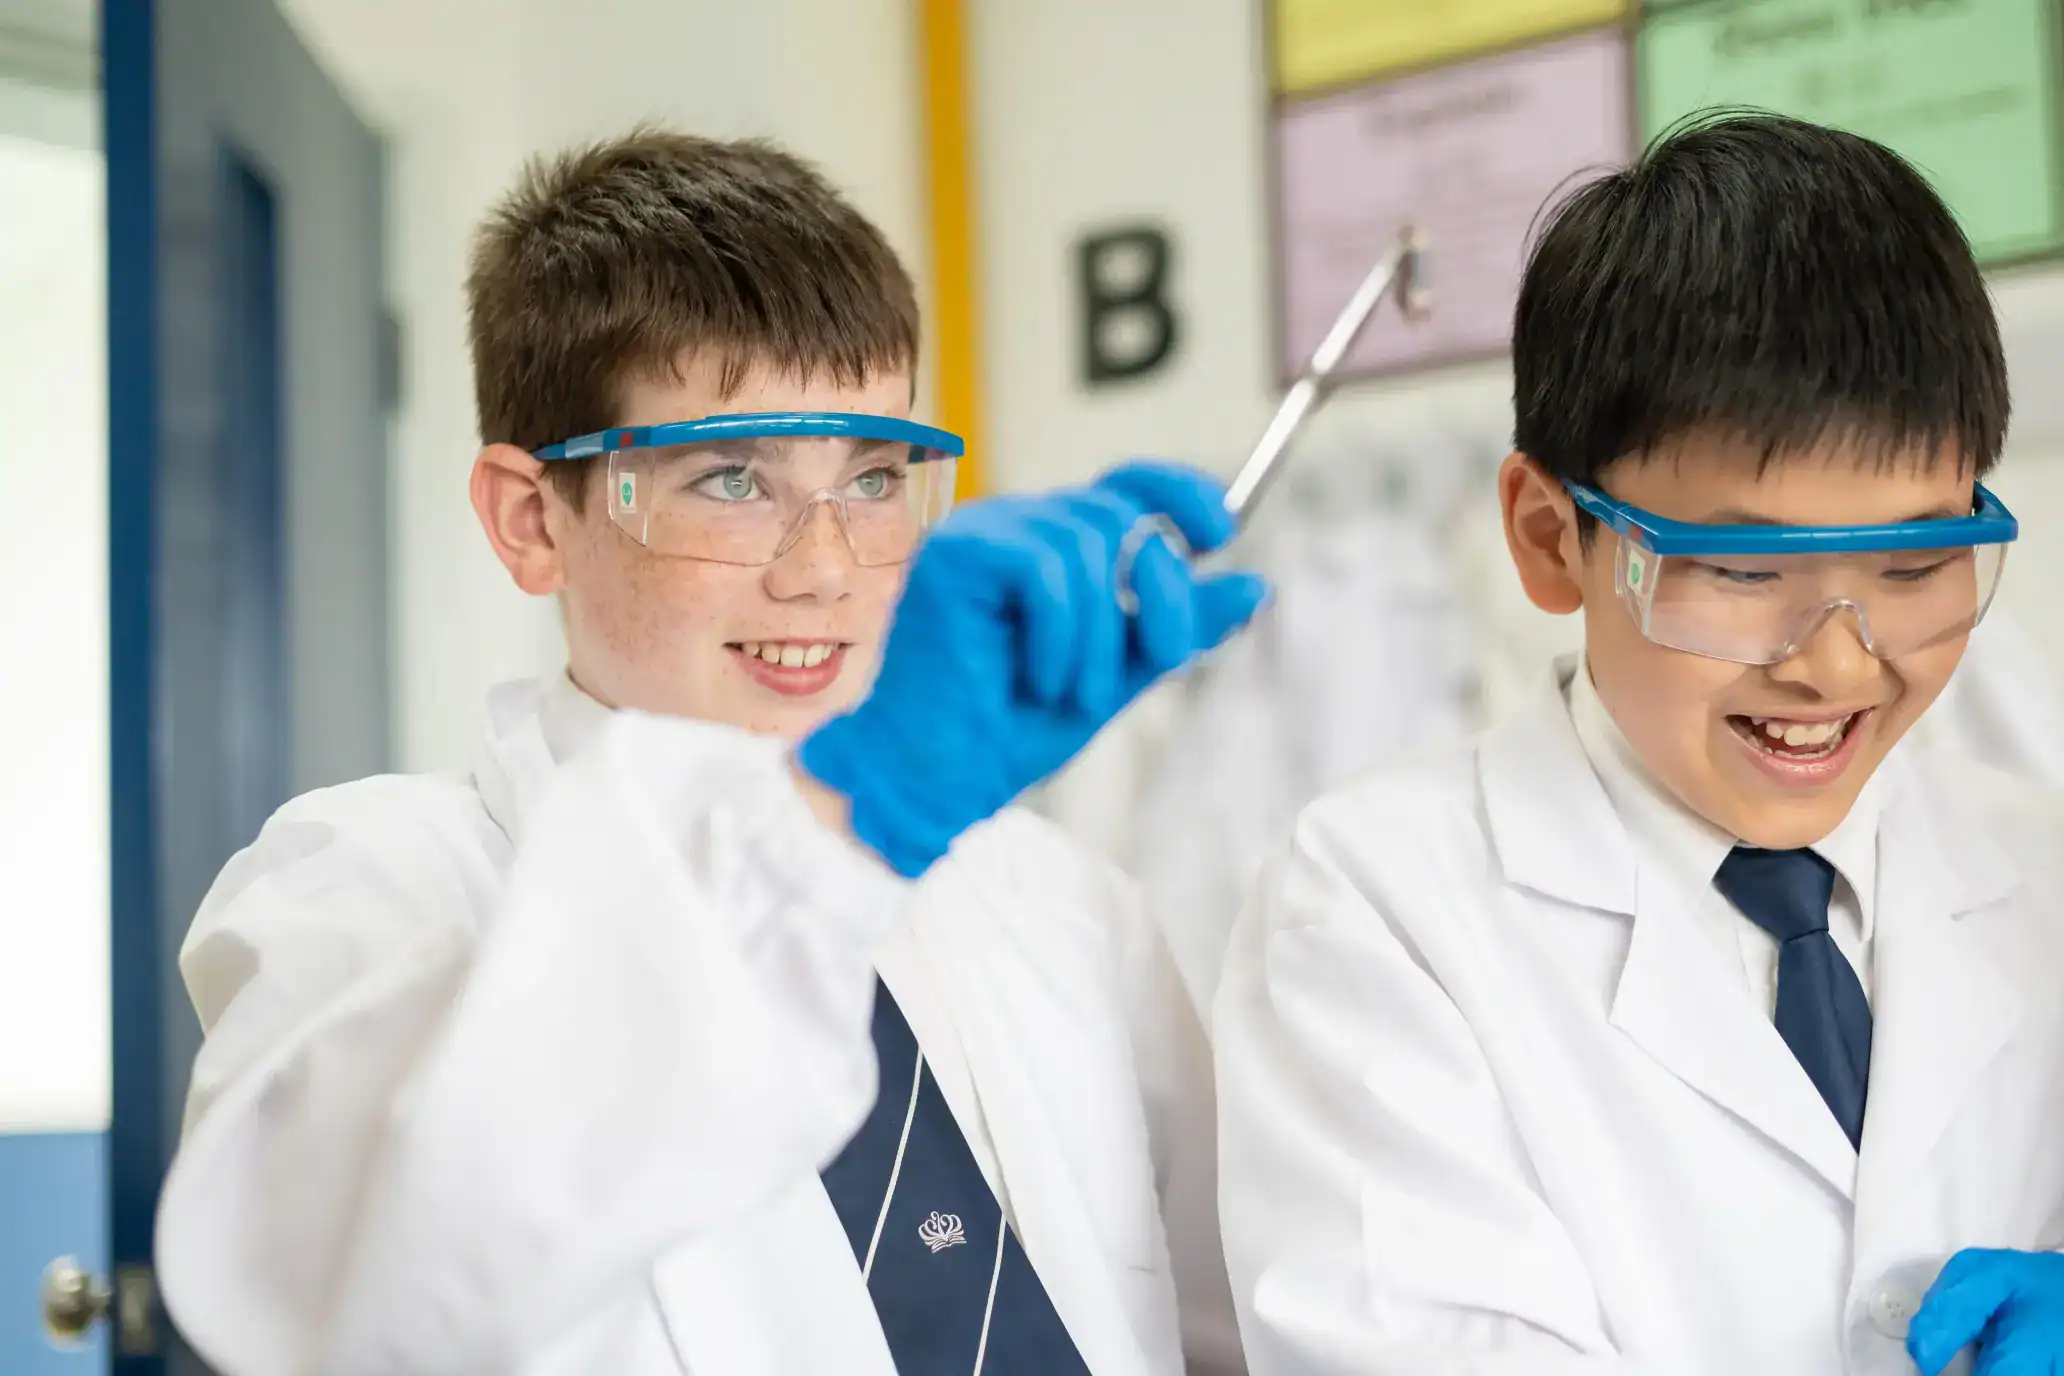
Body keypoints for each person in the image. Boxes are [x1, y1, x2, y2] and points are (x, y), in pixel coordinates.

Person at [152, 129, 1263, 1375]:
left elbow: (1224, 1336)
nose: (827, 570)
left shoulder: (1066, 905)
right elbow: (364, 1311)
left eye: (878, 475)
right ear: (534, 519)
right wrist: (839, 819)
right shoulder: (359, 889)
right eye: (733, 478)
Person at [1213, 112, 2064, 1376]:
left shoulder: (2036, 860)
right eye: (1738, 565)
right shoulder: (1378, 910)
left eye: (1916, 561)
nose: (1836, 660)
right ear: (1554, 538)